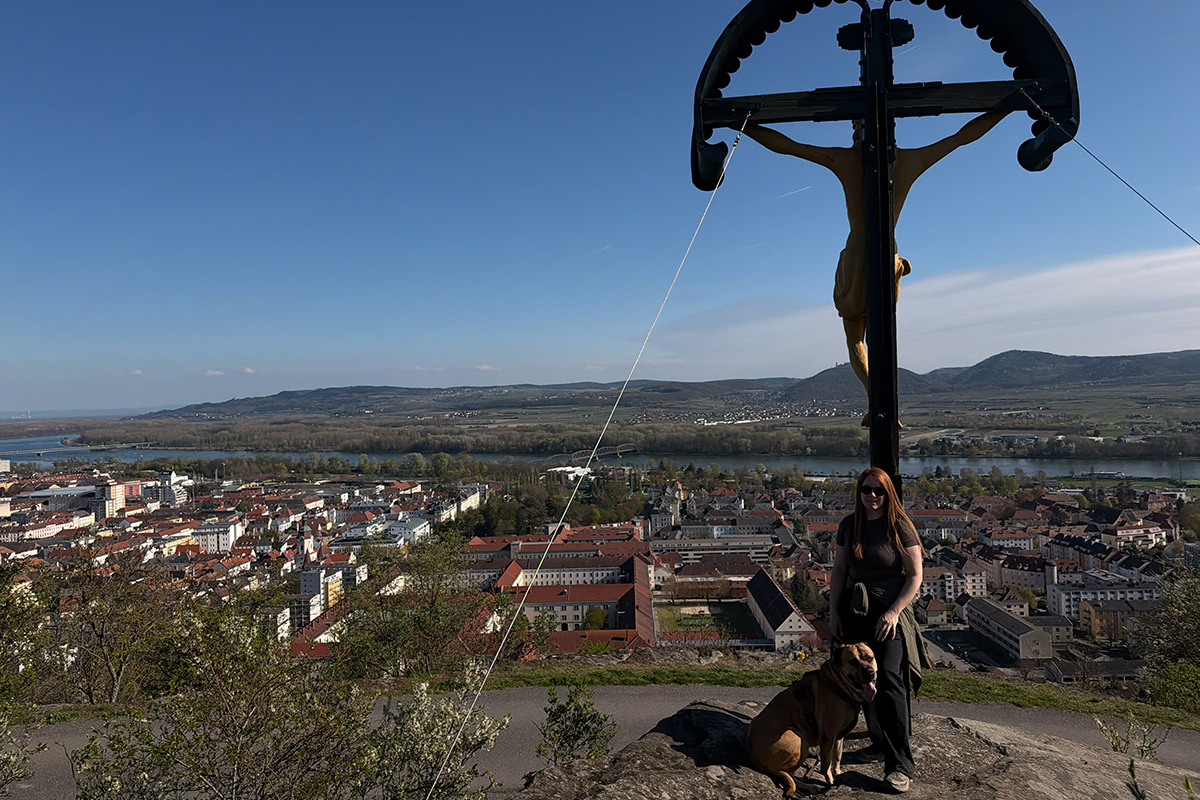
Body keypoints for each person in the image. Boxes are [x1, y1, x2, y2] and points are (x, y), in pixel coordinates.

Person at [740, 111, 1009, 423]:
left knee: (855, 338)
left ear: (857, 130)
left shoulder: (845, 160)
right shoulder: (911, 160)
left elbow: (788, 146)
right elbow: (962, 138)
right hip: (884, 248)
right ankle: (895, 269)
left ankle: (876, 398)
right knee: (879, 333)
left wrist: (742, 125)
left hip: (857, 255)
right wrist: (1005, 108)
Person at [828, 467, 926, 793]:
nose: (872, 496)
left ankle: (900, 765)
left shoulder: (899, 527)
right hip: (854, 612)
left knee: (888, 682)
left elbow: (914, 576)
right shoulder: (849, 525)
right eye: (866, 489)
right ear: (859, 492)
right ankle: (878, 742)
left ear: (888, 494)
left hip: (889, 615)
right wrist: (833, 614)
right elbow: (840, 569)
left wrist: (895, 612)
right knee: (858, 681)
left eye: (879, 491)